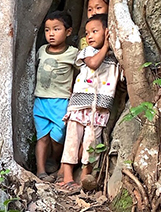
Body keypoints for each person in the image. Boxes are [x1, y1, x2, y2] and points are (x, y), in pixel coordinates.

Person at [58, 13, 119, 193]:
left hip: (99, 109)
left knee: (91, 142)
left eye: (95, 31)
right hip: (79, 105)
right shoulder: (86, 52)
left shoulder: (115, 58)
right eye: (87, 33)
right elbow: (93, 64)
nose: (89, 36)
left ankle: (85, 176)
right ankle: (67, 177)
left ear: (108, 32)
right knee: (72, 140)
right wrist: (106, 45)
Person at [33, 11, 78, 182]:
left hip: (61, 101)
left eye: (56, 29)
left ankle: (55, 159)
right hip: (41, 100)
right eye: (47, 30)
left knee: (57, 137)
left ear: (68, 32)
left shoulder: (73, 53)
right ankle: (41, 171)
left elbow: (82, 73)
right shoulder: (41, 51)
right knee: (42, 137)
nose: (51, 34)